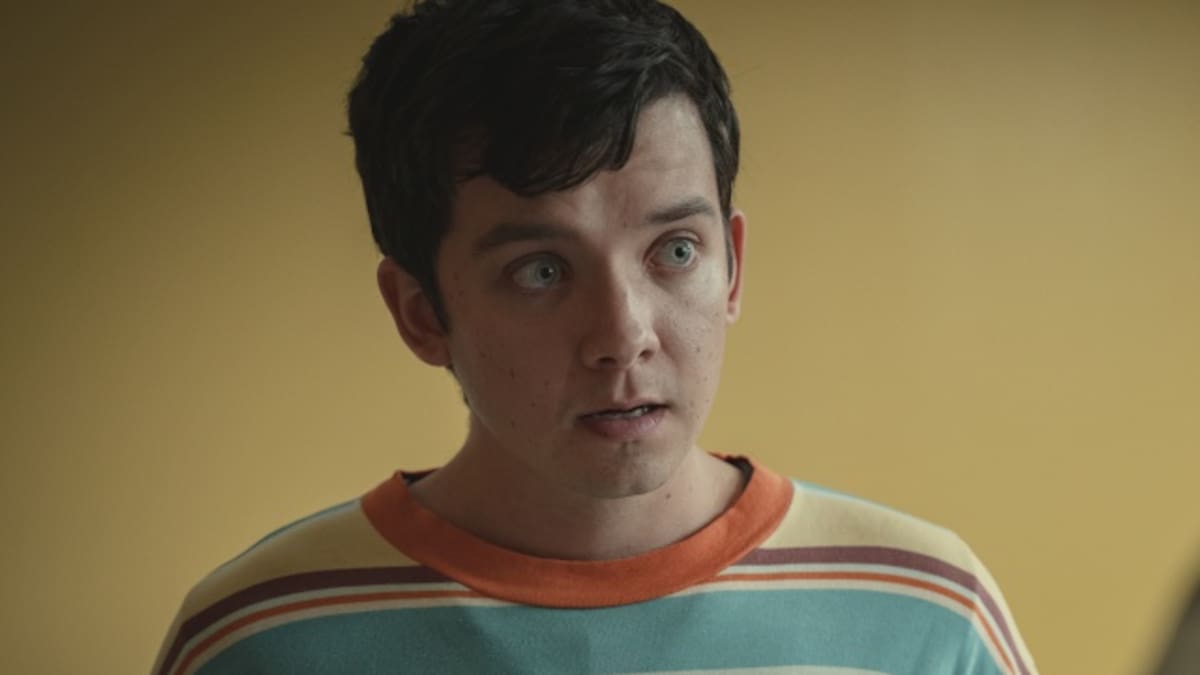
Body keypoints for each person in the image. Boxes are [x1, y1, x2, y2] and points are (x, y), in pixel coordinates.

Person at [152, 1, 1039, 673]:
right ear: (420, 312)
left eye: (674, 251)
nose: (624, 335)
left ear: (731, 267)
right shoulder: (259, 638)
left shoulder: (927, 615)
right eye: (541, 270)